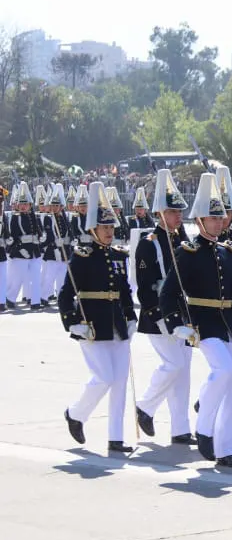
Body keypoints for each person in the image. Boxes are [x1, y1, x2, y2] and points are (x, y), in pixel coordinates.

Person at [159, 172, 232, 469]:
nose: (219, 223)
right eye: (213, 218)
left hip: (230, 325)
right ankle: (204, 428)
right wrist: (176, 324)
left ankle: (226, 451)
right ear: (199, 221)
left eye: (221, 218)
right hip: (204, 323)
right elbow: (169, 292)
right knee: (223, 370)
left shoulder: (226, 251)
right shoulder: (189, 252)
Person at [60, 182, 138, 452]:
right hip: (91, 325)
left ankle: (116, 438)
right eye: (104, 227)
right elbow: (65, 294)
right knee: (104, 377)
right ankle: (75, 413)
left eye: (111, 227)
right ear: (93, 229)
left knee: (120, 382)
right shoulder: (82, 256)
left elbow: (124, 290)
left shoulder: (118, 255)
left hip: (117, 324)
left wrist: (130, 316)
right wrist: (72, 323)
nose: (109, 232)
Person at [132, 168, 196, 444]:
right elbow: (144, 286)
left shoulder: (183, 240)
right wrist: (158, 316)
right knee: (174, 364)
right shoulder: (149, 244)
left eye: (179, 211)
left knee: (183, 373)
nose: (178, 216)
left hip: (183, 314)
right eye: (172, 212)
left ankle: (180, 429)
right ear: (160, 213)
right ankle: (145, 407)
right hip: (159, 315)